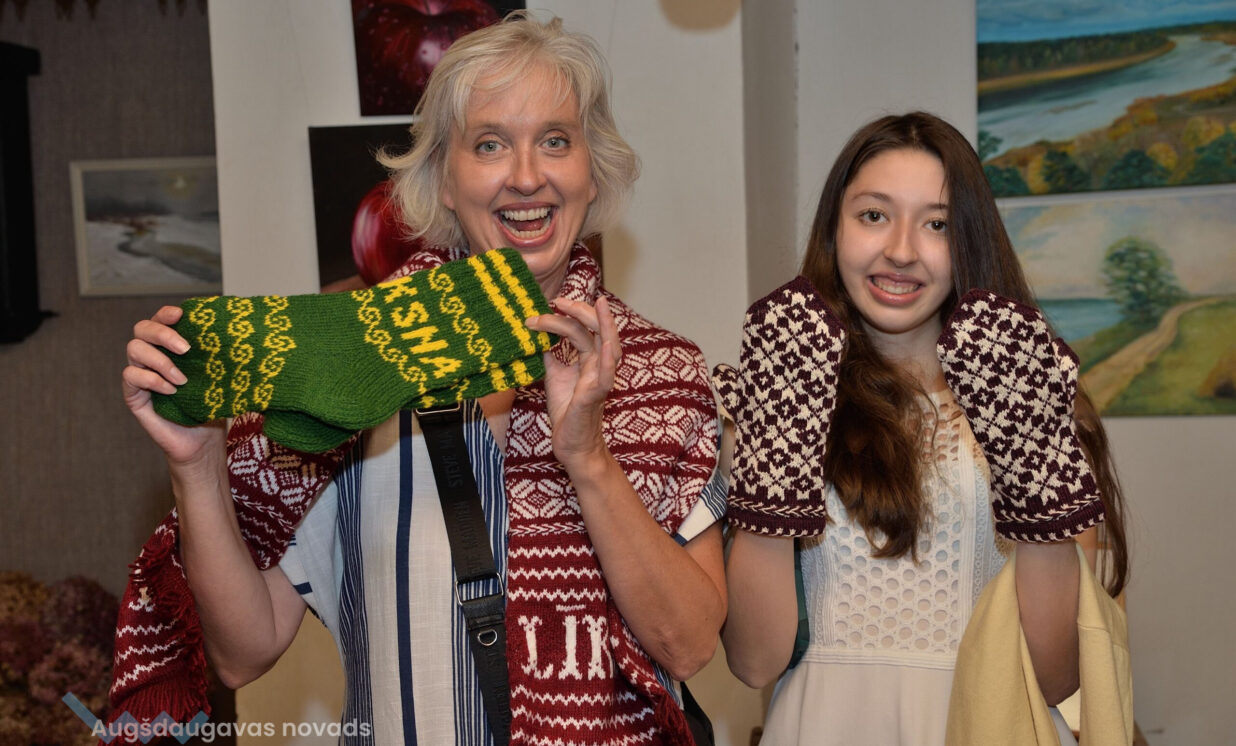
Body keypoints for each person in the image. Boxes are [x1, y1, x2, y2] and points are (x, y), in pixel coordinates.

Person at [117, 13, 726, 746]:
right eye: (489, 143)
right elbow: (243, 652)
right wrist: (197, 467)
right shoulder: (351, 367)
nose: (526, 175)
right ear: (442, 180)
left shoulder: (662, 372)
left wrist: (589, 458)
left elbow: (689, 646)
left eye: (556, 141)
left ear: (591, 172)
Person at [716, 112, 1130, 745]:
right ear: (835, 228)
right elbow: (753, 662)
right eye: (873, 215)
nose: (902, 250)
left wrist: (1032, 462)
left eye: (937, 224)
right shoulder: (778, 393)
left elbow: (1054, 679)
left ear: (968, 240)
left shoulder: (1038, 400)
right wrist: (774, 445)